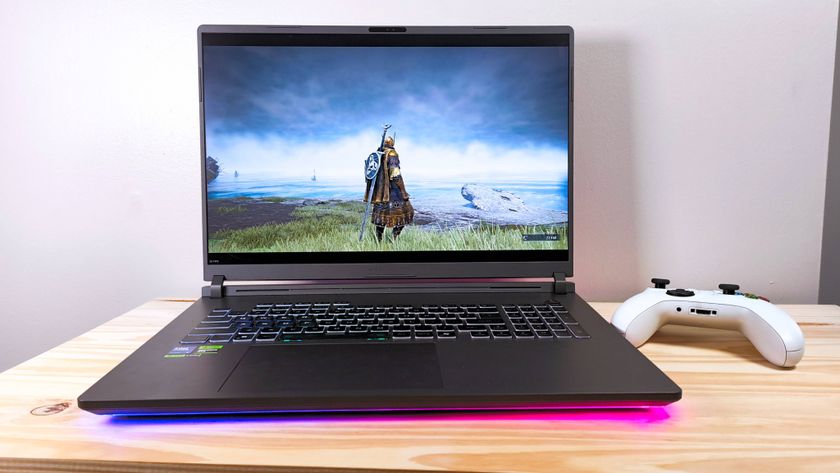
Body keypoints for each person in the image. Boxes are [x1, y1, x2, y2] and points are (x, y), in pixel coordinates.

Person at [364, 136, 414, 241]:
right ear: (392, 143)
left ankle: (379, 241)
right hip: (393, 192)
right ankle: (393, 239)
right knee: (406, 212)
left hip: (379, 193)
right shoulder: (391, 154)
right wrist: (404, 192)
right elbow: (395, 174)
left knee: (381, 217)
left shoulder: (378, 153)